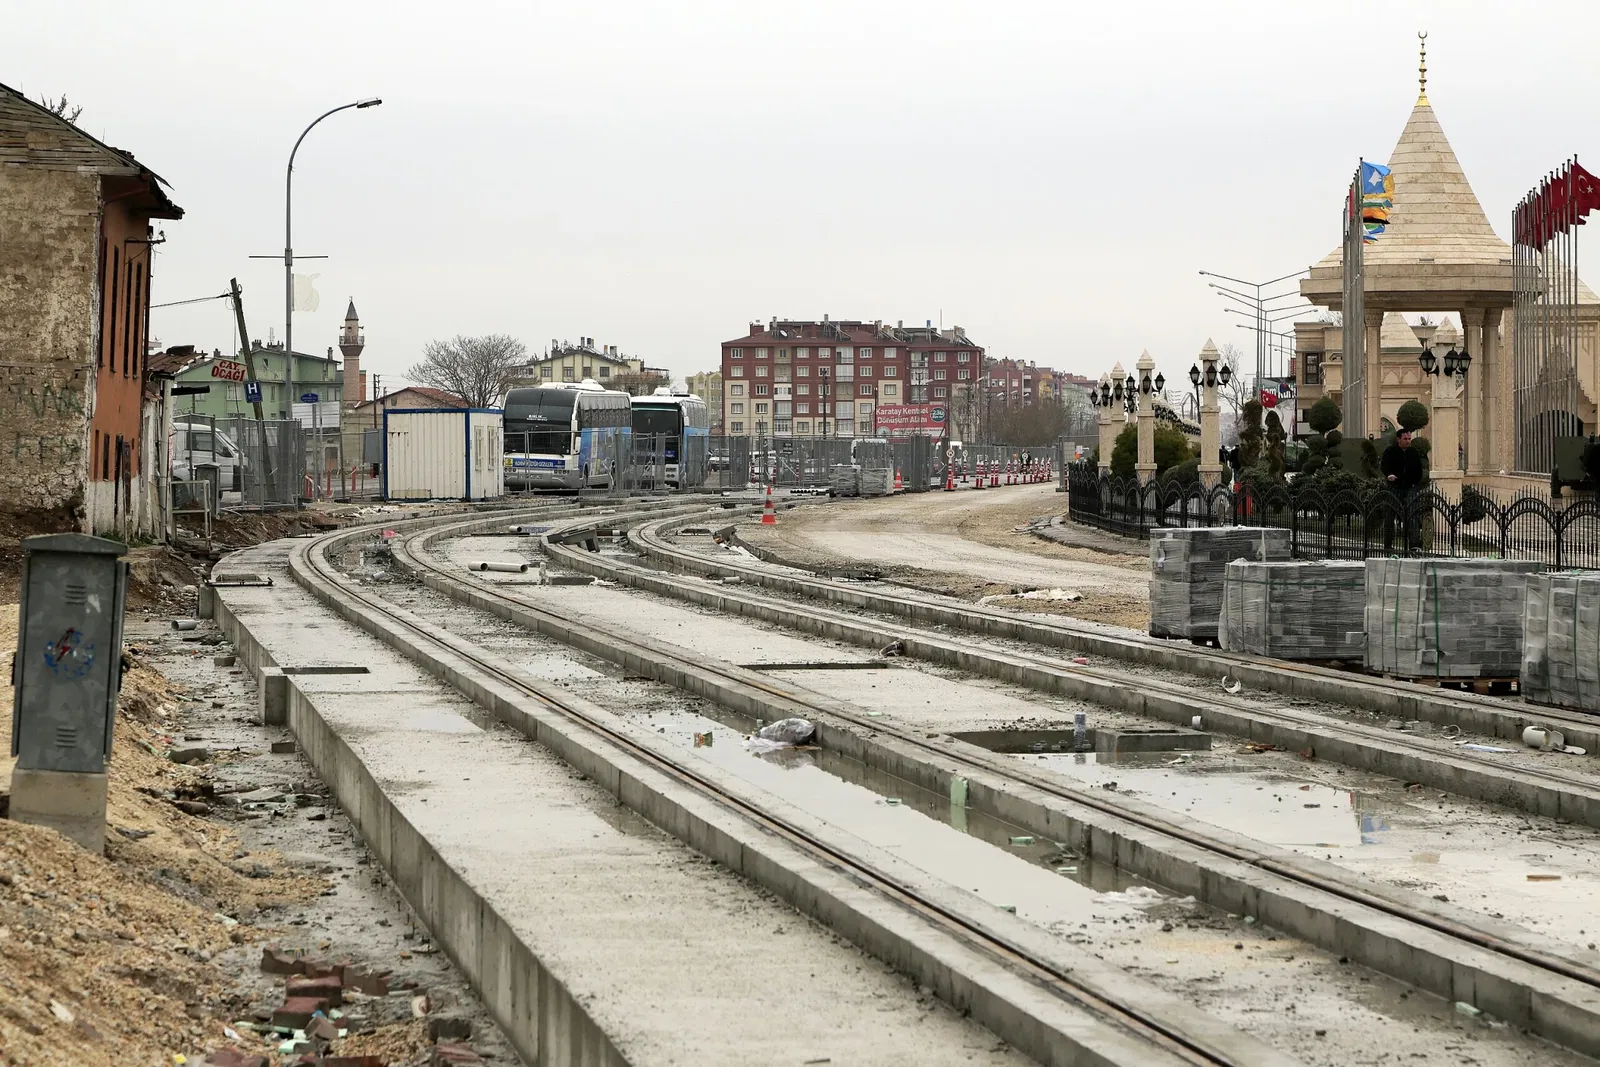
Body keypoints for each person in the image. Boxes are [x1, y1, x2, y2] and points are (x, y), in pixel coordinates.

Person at [1381, 429, 1424, 554]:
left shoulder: (1413, 452)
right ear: (1398, 439)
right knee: (1390, 516)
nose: (1408, 441)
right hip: (1394, 487)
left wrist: (1415, 483)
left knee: (1413, 516)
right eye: (1405, 439)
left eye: (1409, 439)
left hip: (1410, 487)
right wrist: (1389, 475)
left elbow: (1419, 469)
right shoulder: (1390, 451)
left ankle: (1414, 546)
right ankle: (1388, 546)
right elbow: (1384, 466)